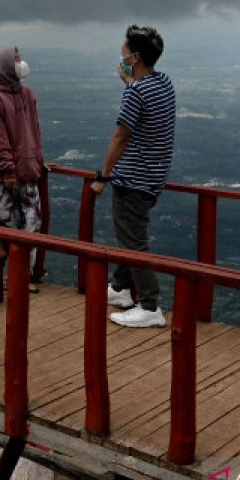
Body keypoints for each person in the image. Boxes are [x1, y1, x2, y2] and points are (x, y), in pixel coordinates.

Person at [90, 25, 176, 328]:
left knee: (133, 242)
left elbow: (120, 137)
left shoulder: (137, 92)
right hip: (153, 177)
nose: (122, 54)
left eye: (125, 50)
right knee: (129, 236)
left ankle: (150, 306)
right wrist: (129, 81)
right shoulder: (162, 82)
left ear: (135, 57)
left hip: (134, 179)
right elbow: (143, 95)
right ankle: (120, 289)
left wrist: (103, 176)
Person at [0, 47, 45, 284]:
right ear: (4, 65)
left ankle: (20, 279)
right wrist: (8, 170)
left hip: (28, 172)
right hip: (1, 177)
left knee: (31, 226)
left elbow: (34, 131)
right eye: (15, 59)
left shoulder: (26, 93)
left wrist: (37, 160)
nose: (20, 62)